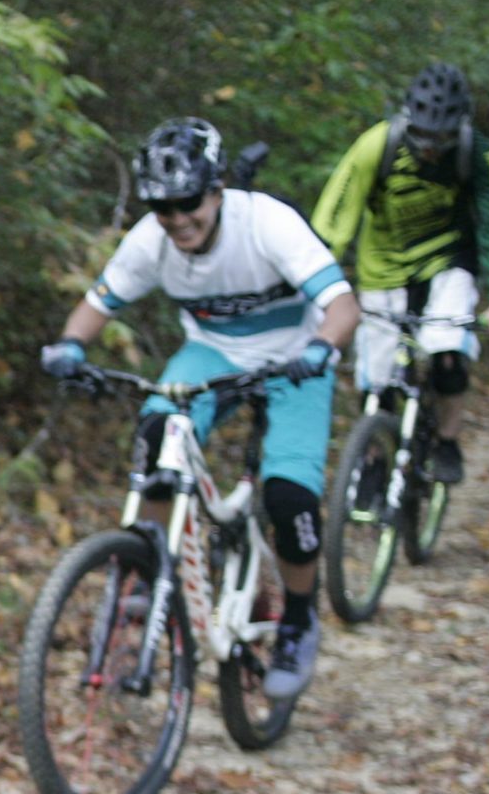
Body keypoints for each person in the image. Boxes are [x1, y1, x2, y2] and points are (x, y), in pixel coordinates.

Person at [42, 117, 358, 702]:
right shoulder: (151, 240)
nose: (179, 218)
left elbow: (342, 305)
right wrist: (69, 348)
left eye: (191, 202)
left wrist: (320, 349)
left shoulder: (266, 222)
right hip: (212, 355)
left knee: (289, 497)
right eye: (165, 208)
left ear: (217, 190)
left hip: (294, 359)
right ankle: (148, 564)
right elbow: (96, 304)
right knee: (157, 432)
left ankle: (296, 619)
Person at [311, 62, 489, 487]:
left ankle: (446, 440)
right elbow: (334, 219)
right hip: (382, 268)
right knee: (375, 379)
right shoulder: (377, 145)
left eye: (440, 139)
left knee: (447, 351)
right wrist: (312, 285)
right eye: (422, 136)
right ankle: (370, 460)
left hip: (447, 264)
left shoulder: (476, 155)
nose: (429, 148)